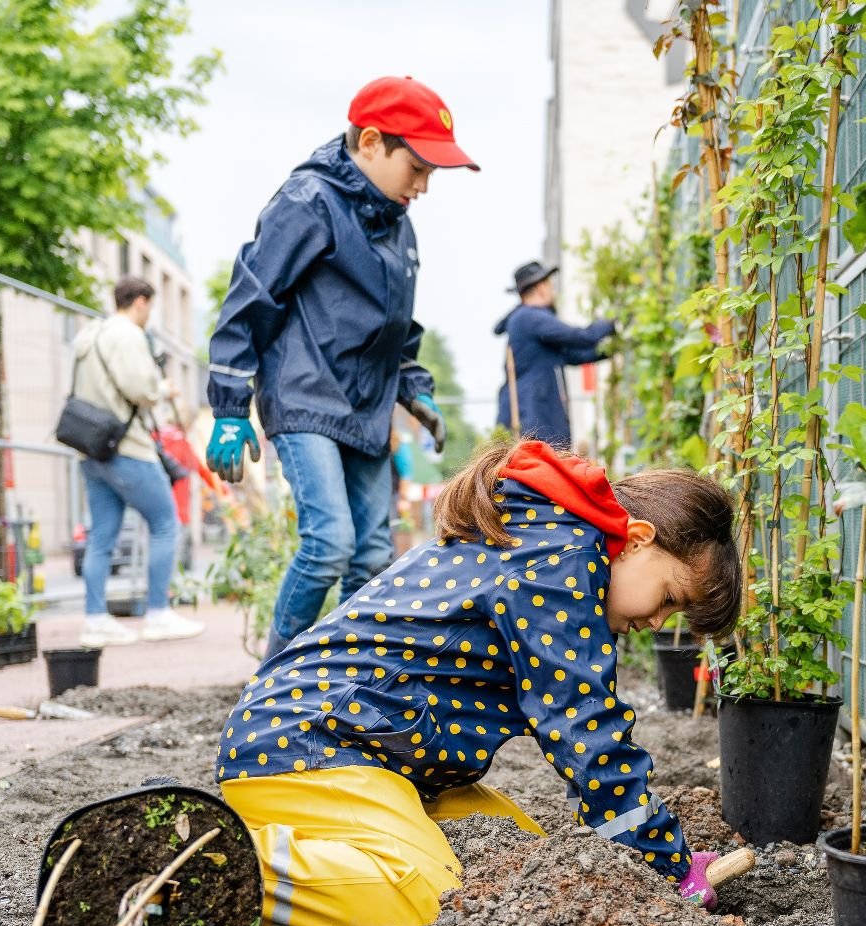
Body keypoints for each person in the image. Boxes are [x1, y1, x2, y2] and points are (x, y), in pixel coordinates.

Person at [214, 438, 741, 926]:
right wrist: (665, 862)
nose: (657, 622)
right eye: (669, 597)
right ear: (640, 539)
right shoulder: (559, 566)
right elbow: (586, 733)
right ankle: (217, 866)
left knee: (527, 858)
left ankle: (303, 848)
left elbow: (582, 748)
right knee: (429, 899)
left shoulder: (549, 542)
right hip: (305, 744)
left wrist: (644, 858)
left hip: (375, 753)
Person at [205, 76, 470, 656]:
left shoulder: (397, 222)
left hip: (366, 409)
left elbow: (395, 323)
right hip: (305, 397)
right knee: (329, 544)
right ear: (371, 142)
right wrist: (229, 406)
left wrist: (414, 388)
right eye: (417, 167)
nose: (423, 185)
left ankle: (345, 676)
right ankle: (272, 679)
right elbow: (251, 298)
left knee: (373, 556)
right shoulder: (308, 202)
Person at [74, 277, 204, 648]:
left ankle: (95, 620)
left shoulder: (88, 334)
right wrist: (162, 389)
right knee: (165, 523)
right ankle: (158, 613)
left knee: (101, 536)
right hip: (126, 447)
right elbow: (141, 390)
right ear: (141, 302)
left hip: (90, 447)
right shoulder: (128, 335)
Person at [493, 260, 615, 449]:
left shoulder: (527, 322)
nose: (552, 290)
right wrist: (612, 324)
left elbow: (574, 355)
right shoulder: (529, 317)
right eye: (549, 285)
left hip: (538, 417)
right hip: (533, 419)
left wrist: (612, 350)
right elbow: (579, 337)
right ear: (540, 287)